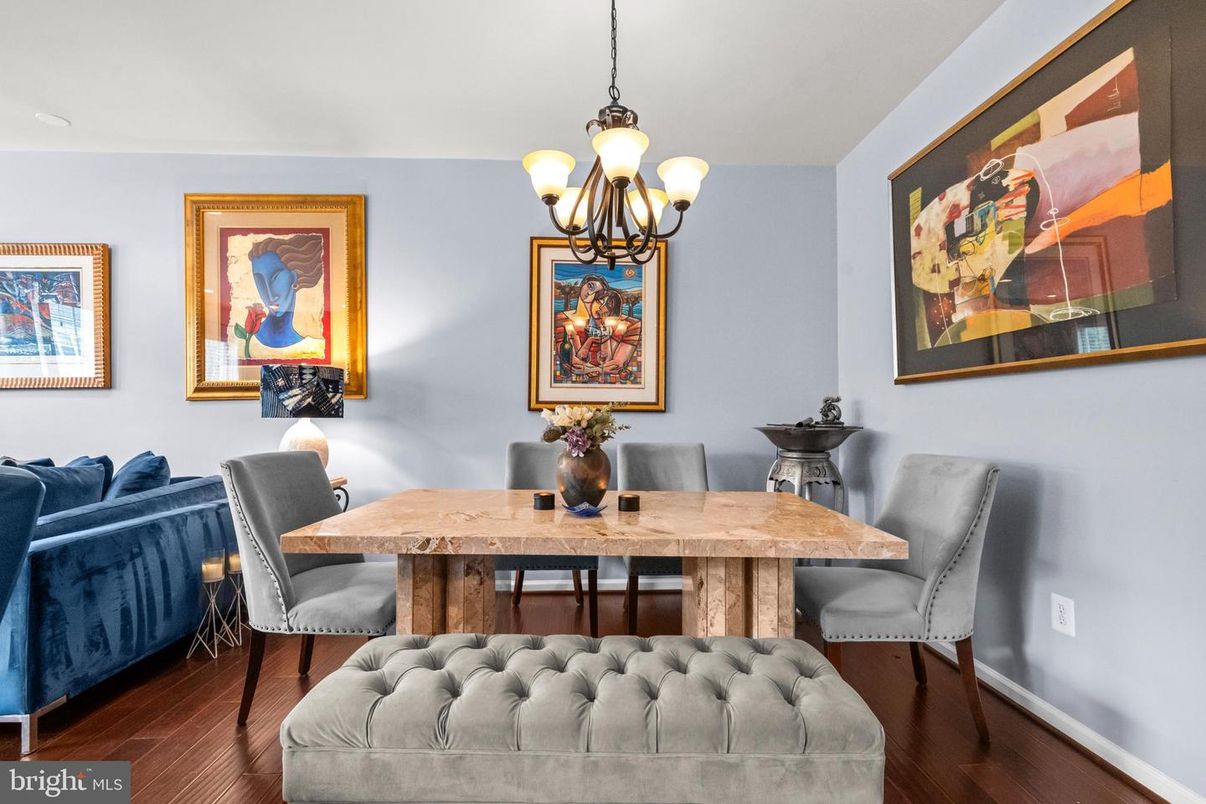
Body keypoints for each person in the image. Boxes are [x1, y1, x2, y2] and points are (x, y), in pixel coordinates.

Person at [245, 233, 326, 358]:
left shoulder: (314, 347)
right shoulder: (249, 341)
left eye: (275, 278)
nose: (268, 293)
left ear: (294, 277)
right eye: (259, 280)